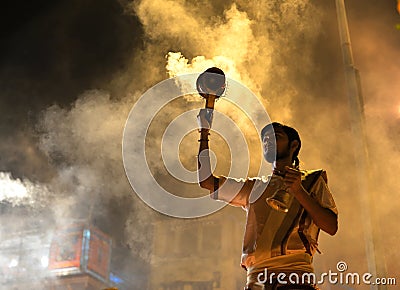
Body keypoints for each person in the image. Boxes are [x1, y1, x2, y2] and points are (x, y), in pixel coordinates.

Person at [197, 109, 338, 290]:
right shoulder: (255, 187)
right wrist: (204, 132)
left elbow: (331, 227)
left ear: (293, 145)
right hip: (257, 280)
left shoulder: (312, 181)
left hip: (295, 279)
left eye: (276, 136)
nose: (268, 140)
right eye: (265, 138)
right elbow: (207, 181)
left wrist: (299, 191)